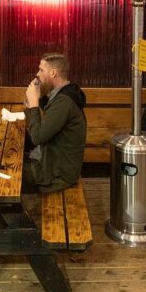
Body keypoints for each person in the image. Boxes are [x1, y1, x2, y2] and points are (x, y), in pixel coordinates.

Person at [23, 52, 87, 193]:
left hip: (57, 175)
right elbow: (45, 126)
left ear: (53, 73)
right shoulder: (60, 96)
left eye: (41, 70)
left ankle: (15, 215)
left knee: (6, 176)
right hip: (52, 164)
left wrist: (34, 104)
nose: (37, 74)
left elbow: (38, 137)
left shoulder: (64, 102)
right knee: (8, 164)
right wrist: (36, 100)